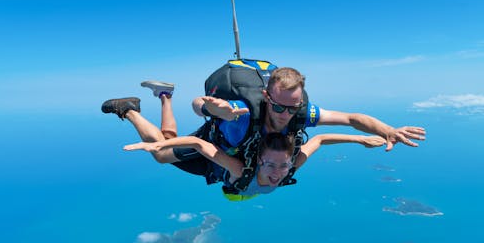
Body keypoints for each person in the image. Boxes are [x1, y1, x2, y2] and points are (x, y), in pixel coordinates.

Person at [102, 82, 386, 201]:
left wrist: (360, 141)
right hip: (217, 157)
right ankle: (129, 109)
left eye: (282, 167)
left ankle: (165, 95)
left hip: (220, 160)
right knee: (163, 154)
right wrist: (157, 148)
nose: (277, 174)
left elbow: (322, 139)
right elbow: (203, 147)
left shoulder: (289, 166)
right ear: (259, 160)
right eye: (274, 167)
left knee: (169, 143)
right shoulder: (242, 170)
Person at [192, 66, 426, 153]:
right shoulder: (243, 111)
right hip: (218, 147)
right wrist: (214, 111)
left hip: (256, 164)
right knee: (162, 154)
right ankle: (165, 96)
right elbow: (198, 105)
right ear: (266, 97)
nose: (285, 114)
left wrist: (387, 131)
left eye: (292, 108)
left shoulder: (304, 112)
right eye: (277, 106)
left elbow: (351, 118)